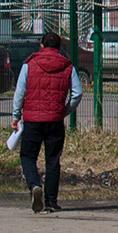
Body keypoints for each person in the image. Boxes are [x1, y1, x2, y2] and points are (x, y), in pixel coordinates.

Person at [11, 31, 82, 213]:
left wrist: (16, 116)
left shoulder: (29, 64)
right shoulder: (67, 66)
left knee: (27, 156)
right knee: (52, 160)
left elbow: (20, 92)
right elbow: (77, 93)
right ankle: (51, 201)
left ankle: (35, 186)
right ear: (59, 47)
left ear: (41, 46)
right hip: (55, 121)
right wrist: (65, 110)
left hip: (33, 120)